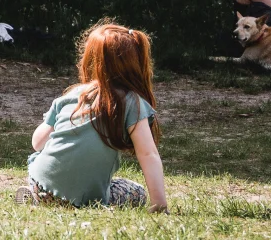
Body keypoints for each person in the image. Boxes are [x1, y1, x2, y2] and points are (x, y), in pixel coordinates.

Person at [22, 21, 169, 211]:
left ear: (91, 59)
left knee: (40, 161)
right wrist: (159, 203)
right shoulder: (133, 104)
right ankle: (73, 199)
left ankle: (36, 195)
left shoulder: (72, 94)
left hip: (42, 183)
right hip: (86, 197)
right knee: (136, 192)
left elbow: (38, 143)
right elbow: (148, 154)